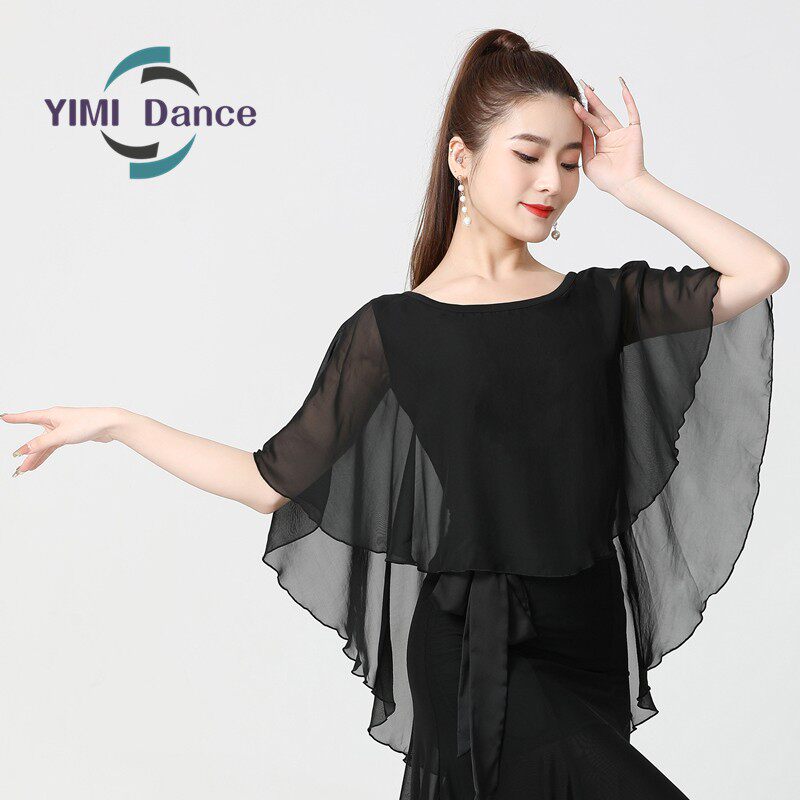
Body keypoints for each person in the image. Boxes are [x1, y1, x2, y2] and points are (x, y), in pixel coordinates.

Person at [3, 27, 786, 800]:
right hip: (477, 649)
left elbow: (760, 270)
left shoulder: (599, 302)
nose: (552, 180)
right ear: (461, 158)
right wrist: (120, 424)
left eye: (569, 161)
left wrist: (635, 185)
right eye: (527, 154)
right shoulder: (394, 331)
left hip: (588, 636)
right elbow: (267, 482)